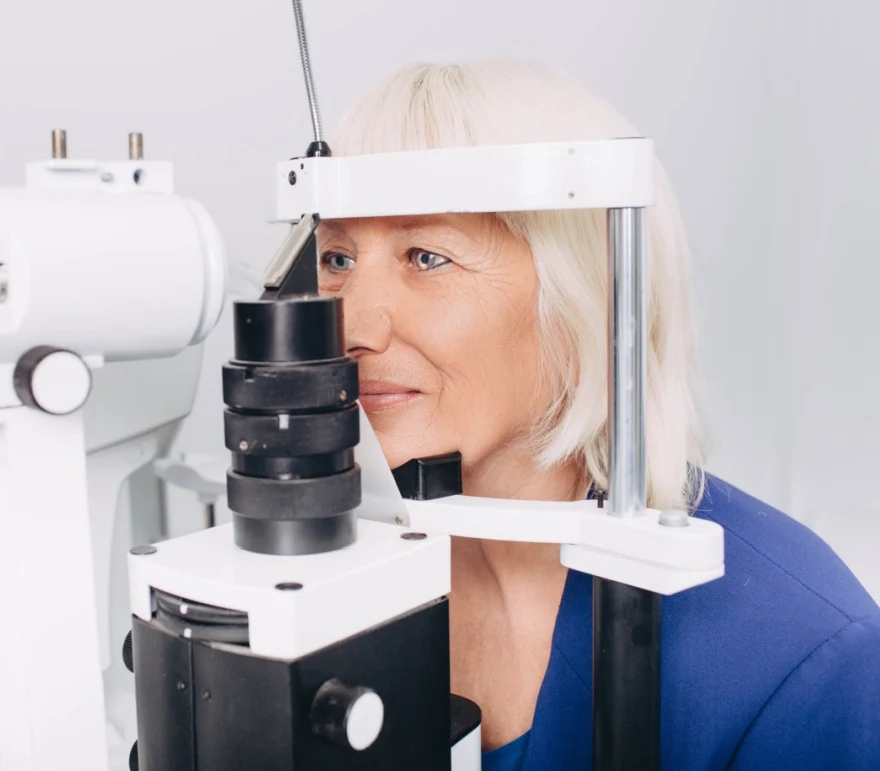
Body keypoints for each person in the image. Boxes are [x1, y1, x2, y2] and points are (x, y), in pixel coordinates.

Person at [316, 60, 880, 770]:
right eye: (336, 255)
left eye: (427, 256)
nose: (350, 323)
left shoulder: (804, 663)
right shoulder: (343, 581)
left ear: (584, 294)